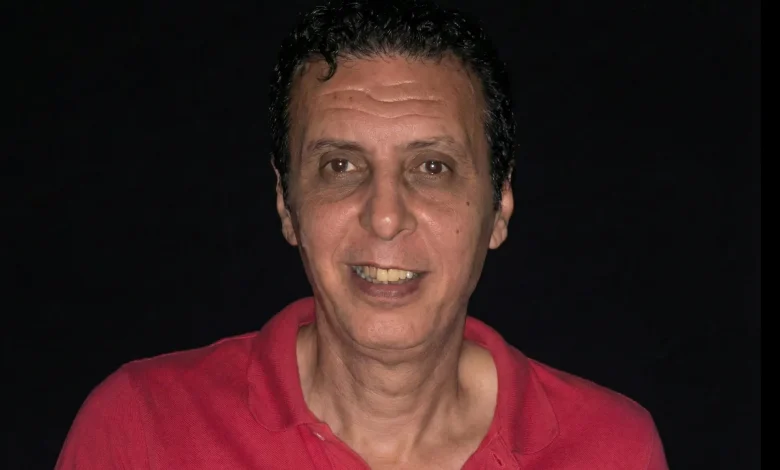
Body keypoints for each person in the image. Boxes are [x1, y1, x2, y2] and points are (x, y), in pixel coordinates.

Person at [56, 0, 668, 468]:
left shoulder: (613, 449)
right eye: (341, 166)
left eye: (432, 167)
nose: (385, 217)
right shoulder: (141, 431)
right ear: (287, 202)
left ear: (499, 205)